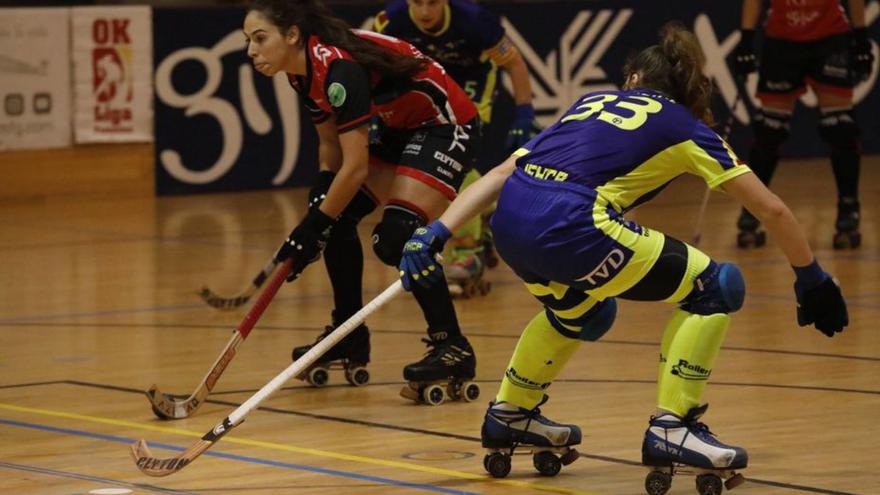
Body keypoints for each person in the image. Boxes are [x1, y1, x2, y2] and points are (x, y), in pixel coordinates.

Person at [398, 23, 849, 483]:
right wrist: (810, 276)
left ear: (632, 78)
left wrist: (435, 232)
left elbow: (499, 172)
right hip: (573, 223)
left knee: (582, 314)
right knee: (716, 286)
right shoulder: (685, 125)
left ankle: (511, 412)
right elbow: (770, 208)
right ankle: (674, 426)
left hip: (512, 220)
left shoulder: (588, 103)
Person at [243, 0, 481, 404]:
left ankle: (453, 346)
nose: (251, 51)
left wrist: (309, 228)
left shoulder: (339, 69)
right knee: (334, 221)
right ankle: (348, 335)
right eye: (248, 41)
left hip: (446, 126)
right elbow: (330, 148)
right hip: (400, 128)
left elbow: (354, 169)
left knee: (396, 239)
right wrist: (321, 189)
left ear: (292, 35)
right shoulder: (301, 75)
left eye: (260, 38)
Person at [374, 0, 540, 298]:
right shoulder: (391, 19)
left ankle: (467, 250)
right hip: (423, 89)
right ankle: (486, 206)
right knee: (437, 164)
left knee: (454, 162)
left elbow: (514, 63)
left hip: (470, 87)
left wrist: (524, 113)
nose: (425, 12)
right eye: (417, 3)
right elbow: (368, 63)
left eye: (433, 3)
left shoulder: (475, 19)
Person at [732, 0, 874, 249]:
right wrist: (746, 39)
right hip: (782, 40)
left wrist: (861, 36)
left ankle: (848, 212)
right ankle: (751, 212)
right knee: (769, 130)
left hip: (830, 36)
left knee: (840, 127)